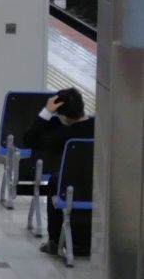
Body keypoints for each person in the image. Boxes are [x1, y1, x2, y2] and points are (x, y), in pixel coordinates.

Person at [22, 87, 94, 257]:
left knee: (56, 181)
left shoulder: (62, 135)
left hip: (69, 190)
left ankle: (54, 240)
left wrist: (46, 112)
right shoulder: (100, 128)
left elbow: (29, 140)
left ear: (62, 116)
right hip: (98, 188)